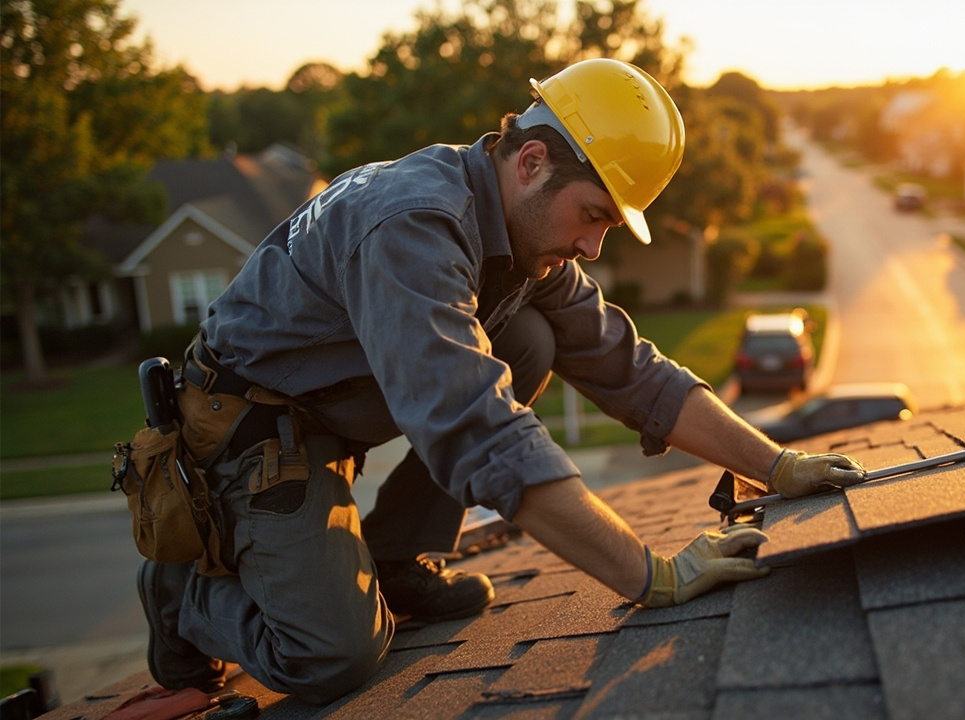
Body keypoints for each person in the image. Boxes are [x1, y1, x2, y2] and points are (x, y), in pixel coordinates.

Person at [137, 58, 865, 704]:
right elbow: (472, 424)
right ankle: (183, 597)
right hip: (250, 428)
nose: (592, 246)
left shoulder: (519, 235)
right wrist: (650, 576)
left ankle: (394, 558)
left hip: (328, 402)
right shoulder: (415, 225)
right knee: (333, 657)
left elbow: (627, 366)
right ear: (532, 162)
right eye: (593, 215)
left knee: (528, 339)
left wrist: (775, 465)